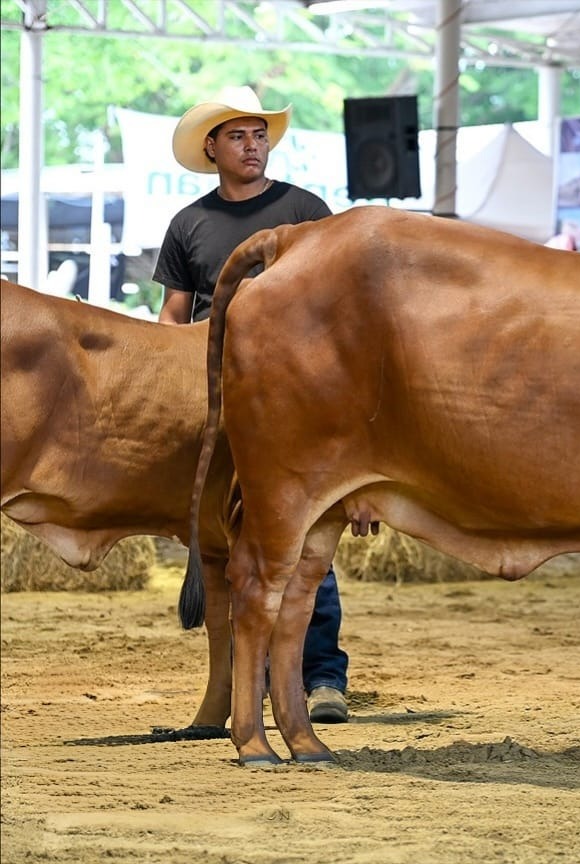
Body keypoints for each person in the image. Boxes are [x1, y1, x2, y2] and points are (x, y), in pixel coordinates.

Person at [154, 85, 350, 724]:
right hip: (217, 392)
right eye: (237, 136)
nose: (252, 146)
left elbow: (337, 304)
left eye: (259, 134)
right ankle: (246, 684)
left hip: (296, 395)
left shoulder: (304, 209)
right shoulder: (188, 225)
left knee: (299, 531)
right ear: (211, 147)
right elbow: (175, 319)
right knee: (228, 539)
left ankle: (322, 678)